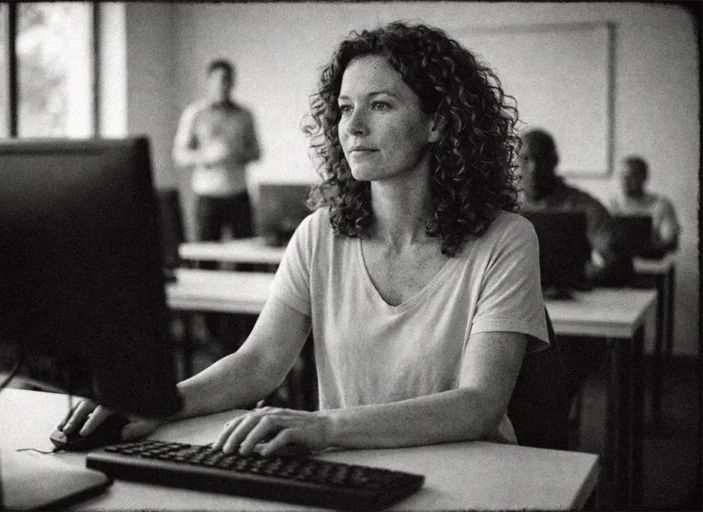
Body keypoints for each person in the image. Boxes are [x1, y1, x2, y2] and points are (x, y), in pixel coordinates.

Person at [60, 22, 550, 456]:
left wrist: (324, 426)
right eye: (343, 108)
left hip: (474, 475)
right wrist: (157, 405)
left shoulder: (506, 239)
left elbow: (479, 404)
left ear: (437, 122)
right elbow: (257, 364)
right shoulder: (320, 234)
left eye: (380, 105)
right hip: (351, 465)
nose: (353, 127)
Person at [172, 59, 261, 346]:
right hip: (207, 195)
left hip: (238, 193)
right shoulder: (194, 113)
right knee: (205, 262)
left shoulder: (245, 115)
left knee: (247, 260)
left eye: (227, 80)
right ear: (209, 81)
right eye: (218, 80)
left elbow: (257, 151)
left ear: (232, 83)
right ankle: (211, 333)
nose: (223, 85)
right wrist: (207, 157)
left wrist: (237, 154)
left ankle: (246, 332)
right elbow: (180, 155)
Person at [518, 128, 634, 288]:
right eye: (525, 159)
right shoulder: (503, 205)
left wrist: (583, 276)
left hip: (573, 304)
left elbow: (620, 263)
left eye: (541, 158)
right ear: (515, 162)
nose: (533, 167)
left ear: (554, 161)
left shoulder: (584, 206)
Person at [609, 155, 681, 257]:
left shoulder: (662, 205)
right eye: (622, 176)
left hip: (651, 264)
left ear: (644, 177)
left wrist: (646, 248)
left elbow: (672, 242)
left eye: (631, 176)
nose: (625, 181)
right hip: (618, 263)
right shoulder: (611, 205)